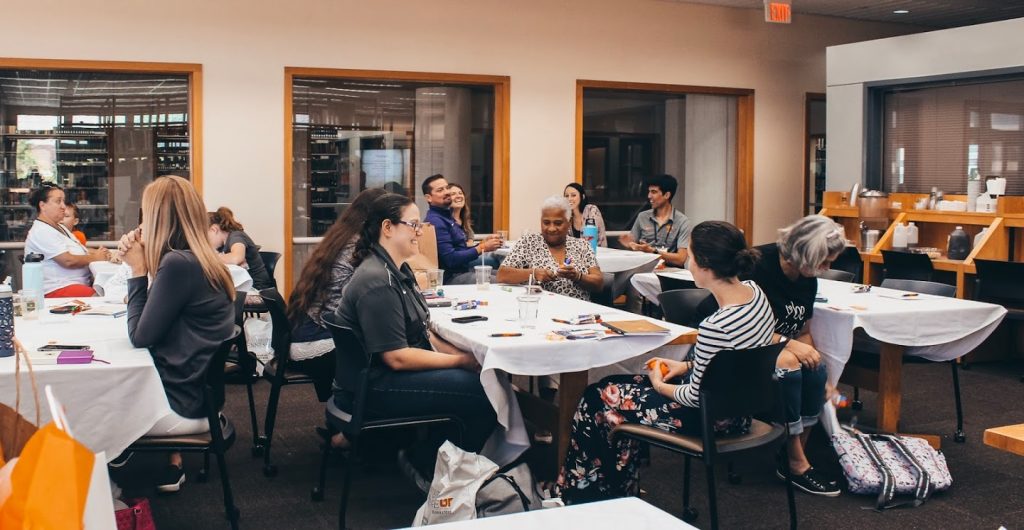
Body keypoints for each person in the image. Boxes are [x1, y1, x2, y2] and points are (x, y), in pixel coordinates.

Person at [555, 220, 774, 504]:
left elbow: (694, 396)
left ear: (705, 264)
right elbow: (737, 357)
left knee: (595, 399)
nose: (687, 263)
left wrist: (658, 384)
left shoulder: (715, 325)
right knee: (608, 387)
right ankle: (611, 492)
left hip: (711, 418)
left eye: (691, 256)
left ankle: (584, 493)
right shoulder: (756, 295)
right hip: (740, 408)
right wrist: (685, 366)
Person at [331, 193, 497, 490]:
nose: (420, 232)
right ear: (388, 228)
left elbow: (424, 332)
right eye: (413, 225)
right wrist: (461, 360)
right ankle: (426, 465)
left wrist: (465, 359)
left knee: (478, 378)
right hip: (375, 386)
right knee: (482, 392)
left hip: (376, 376)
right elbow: (397, 357)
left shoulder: (396, 270)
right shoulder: (378, 280)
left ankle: (447, 460)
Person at [696, 214, 847, 497]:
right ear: (804, 253)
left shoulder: (806, 277)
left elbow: (803, 329)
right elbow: (738, 323)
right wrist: (789, 344)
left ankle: (794, 452)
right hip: (738, 349)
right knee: (790, 369)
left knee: (815, 368)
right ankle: (795, 462)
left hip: (775, 348)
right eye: (823, 261)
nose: (826, 269)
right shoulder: (757, 266)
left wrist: (809, 353)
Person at [118, 175, 236, 493]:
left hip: (179, 405)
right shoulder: (201, 259)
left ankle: (99, 494)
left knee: (84, 409)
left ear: (155, 218)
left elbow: (140, 336)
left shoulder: (178, 265)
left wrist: (138, 271)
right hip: (201, 396)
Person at [286, 187, 387, 400]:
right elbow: (364, 303)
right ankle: (352, 421)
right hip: (318, 343)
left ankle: (347, 422)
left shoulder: (342, 237)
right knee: (390, 358)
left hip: (304, 332)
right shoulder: (357, 248)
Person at [496, 196, 603, 301]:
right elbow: (502, 275)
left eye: (558, 223)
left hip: (579, 313)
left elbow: (599, 283)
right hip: (539, 310)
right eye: (546, 223)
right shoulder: (528, 242)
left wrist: (578, 276)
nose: (551, 228)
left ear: (568, 222)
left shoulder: (582, 246)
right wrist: (533, 273)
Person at [24, 183, 109, 297]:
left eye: (63, 201)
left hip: (77, 284)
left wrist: (105, 253)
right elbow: (68, 261)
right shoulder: (42, 231)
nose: (63, 206)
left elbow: (80, 250)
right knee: (105, 296)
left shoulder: (60, 227)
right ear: (42, 205)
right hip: (58, 289)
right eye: (58, 201)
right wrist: (96, 257)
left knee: (110, 288)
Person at [422, 174, 501, 284]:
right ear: (428, 198)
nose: (446, 192)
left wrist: (483, 244)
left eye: (446, 188)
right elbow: (451, 259)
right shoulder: (436, 221)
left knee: (504, 274)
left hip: (463, 271)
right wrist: (482, 247)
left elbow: (460, 249)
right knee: (501, 280)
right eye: (440, 190)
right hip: (451, 277)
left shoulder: (447, 217)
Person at [618, 174, 691, 267]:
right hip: (644, 270)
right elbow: (633, 248)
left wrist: (653, 251)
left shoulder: (682, 221)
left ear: (667, 195)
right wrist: (629, 245)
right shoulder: (642, 217)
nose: (649, 196)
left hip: (671, 272)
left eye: (654, 192)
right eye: (649, 192)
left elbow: (681, 259)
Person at [207, 206, 274, 291]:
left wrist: (208, 258)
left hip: (259, 290)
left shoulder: (236, 236)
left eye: (206, 237)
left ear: (214, 230)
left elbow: (236, 258)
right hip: (247, 288)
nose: (206, 242)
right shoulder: (222, 246)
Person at [563, 183, 607, 247]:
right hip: (576, 255)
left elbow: (590, 239)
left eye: (573, 195)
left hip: (598, 253)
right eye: (566, 196)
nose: (569, 199)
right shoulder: (567, 216)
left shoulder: (591, 210)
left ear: (582, 196)